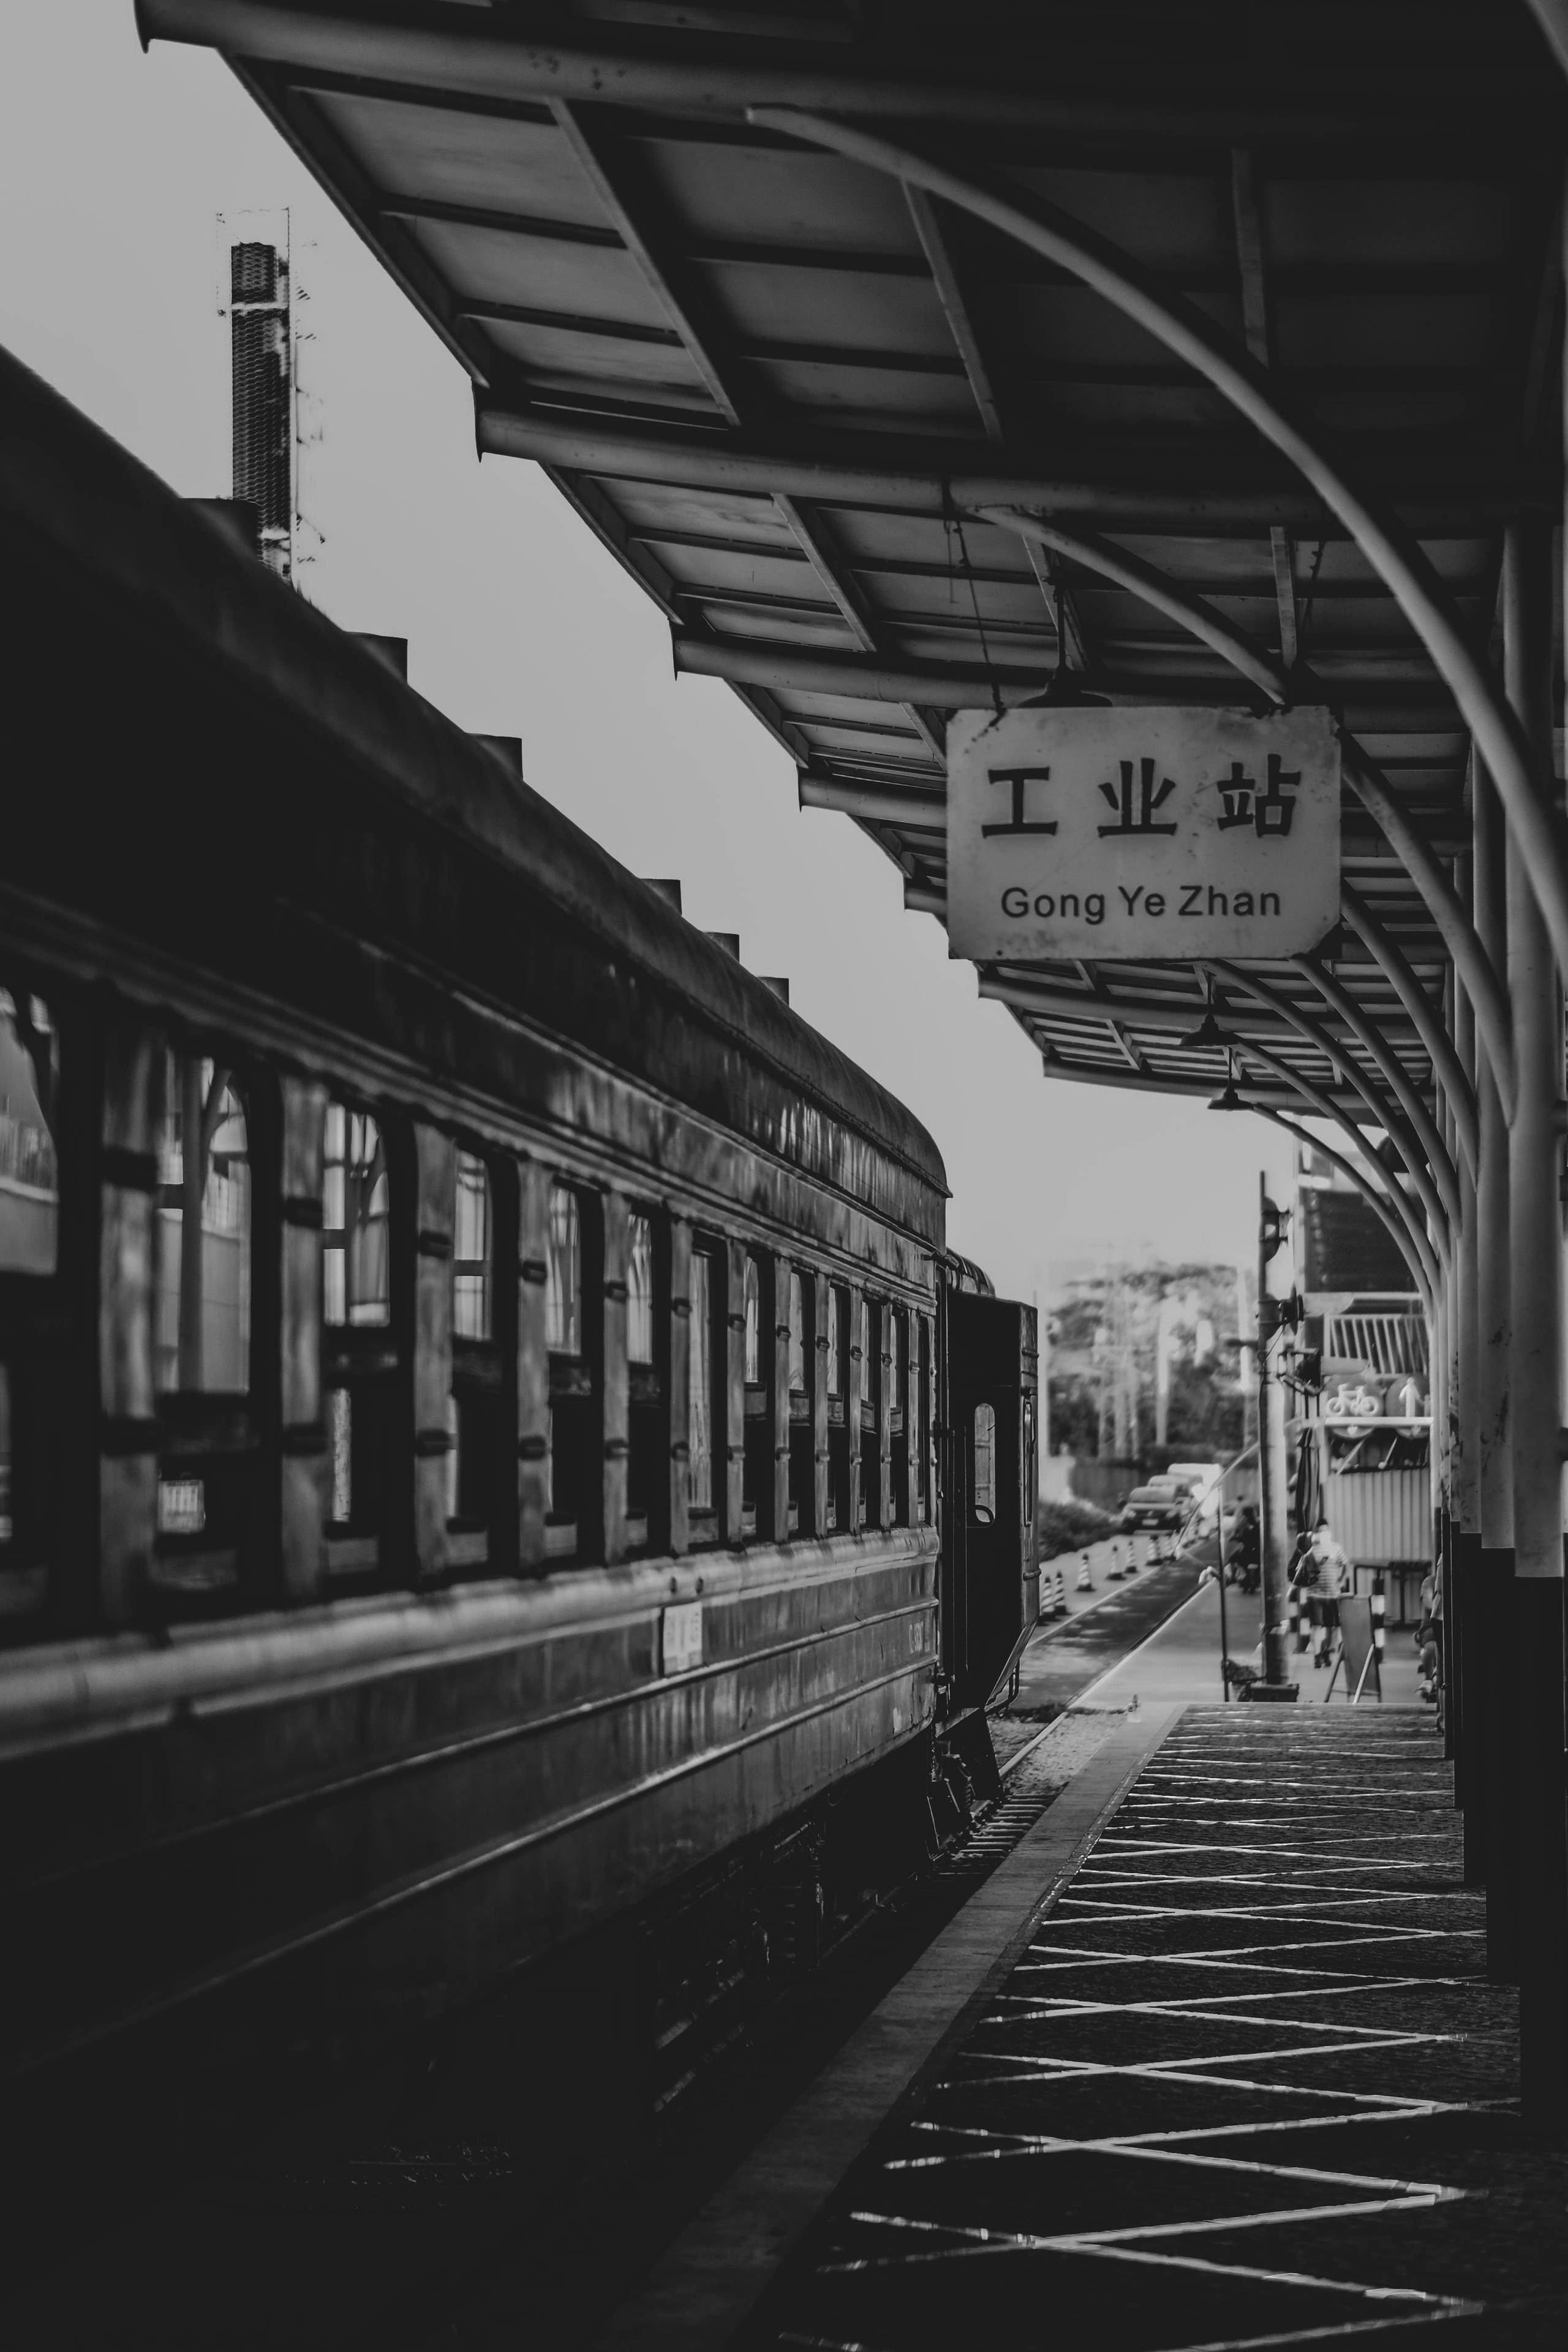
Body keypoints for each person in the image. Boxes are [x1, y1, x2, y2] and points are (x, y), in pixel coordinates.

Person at [1227, 1504, 1261, 1593]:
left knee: (1232, 1559)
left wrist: (1235, 1537)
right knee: (1236, 1556)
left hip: (1248, 1551)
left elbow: (1242, 1537)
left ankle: (1234, 1577)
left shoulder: (1244, 1524)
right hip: (1257, 1551)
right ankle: (1246, 1577)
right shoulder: (1257, 1524)